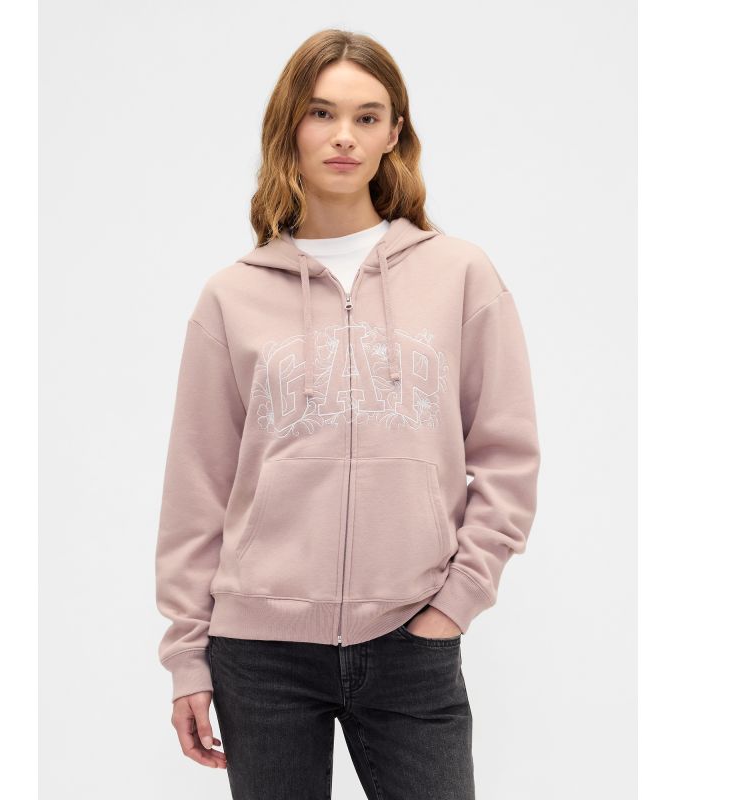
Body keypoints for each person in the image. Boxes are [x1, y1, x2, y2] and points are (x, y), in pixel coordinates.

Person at [154, 28, 541, 800]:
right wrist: (187, 658)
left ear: (395, 133)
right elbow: (197, 486)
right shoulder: (232, 295)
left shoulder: (459, 274)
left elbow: (508, 457)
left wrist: (454, 604)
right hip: (258, 653)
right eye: (322, 113)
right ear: (289, 126)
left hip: (411, 639)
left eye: (368, 117)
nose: (344, 136)